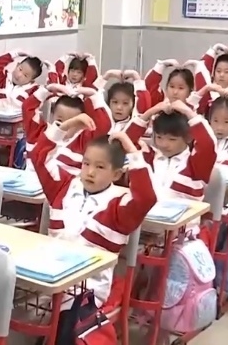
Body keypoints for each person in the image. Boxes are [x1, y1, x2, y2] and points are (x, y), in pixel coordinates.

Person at [29, 120, 157, 345]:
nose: (89, 172)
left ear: (116, 174)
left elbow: (146, 197)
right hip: (49, 276)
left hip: (87, 288)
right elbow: (40, 157)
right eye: (86, 163)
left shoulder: (119, 205)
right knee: (4, 294)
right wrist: (67, 125)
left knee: (66, 323)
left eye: (100, 167)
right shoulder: (64, 187)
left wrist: (131, 149)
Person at [124, 100, 216, 201]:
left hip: (184, 211)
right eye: (159, 137)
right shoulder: (148, 157)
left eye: (172, 139)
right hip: (148, 210)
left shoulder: (196, 164)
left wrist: (188, 112)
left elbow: (208, 143)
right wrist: (149, 113)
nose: (164, 144)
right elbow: (123, 142)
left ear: (189, 137)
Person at [21, 84, 112, 174]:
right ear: (52, 116)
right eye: (60, 120)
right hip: (30, 181)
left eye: (72, 122)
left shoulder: (83, 141)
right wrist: (48, 89)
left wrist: (93, 95)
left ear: (81, 123)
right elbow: (27, 107)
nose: (65, 125)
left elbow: (104, 125)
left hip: (65, 183)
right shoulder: (38, 131)